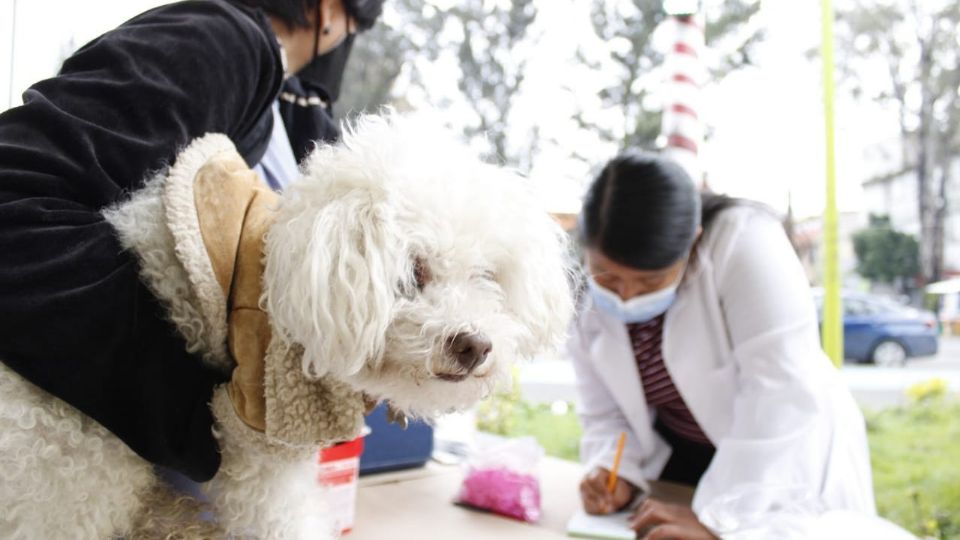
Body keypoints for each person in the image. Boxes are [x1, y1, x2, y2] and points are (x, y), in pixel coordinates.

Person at [0, 0, 382, 483]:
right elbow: (12, 206)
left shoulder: (296, 114)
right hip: (52, 467)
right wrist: (203, 415)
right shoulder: (221, 40)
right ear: (330, 12)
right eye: (354, 29)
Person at [570, 153, 875, 538]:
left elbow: (780, 393)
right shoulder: (586, 302)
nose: (627, 297)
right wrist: (615, 473)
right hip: (683, 456)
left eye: (649, 283)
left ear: (693, 242)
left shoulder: (745, 242)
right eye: (610, 278)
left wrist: (721, 521)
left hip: (777, 457)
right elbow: (606, 412)